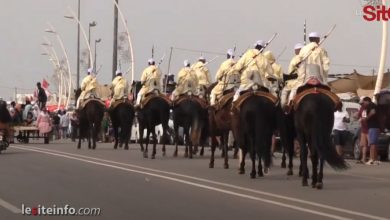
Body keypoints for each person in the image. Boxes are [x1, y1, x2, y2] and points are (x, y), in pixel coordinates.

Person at [288, 32, 330, 104]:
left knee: (294, 90)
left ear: (309, 39)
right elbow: (326, 65)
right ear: (318, 39)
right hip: (319, 76)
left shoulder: (303, 49)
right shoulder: (321, 50)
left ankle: (290, 103)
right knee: (329, 93)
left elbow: (299, 63)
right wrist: (324, 75)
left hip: (305, 77)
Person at [280, 43, 303, 109]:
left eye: (298, 50)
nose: (296, 51)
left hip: (299, 81)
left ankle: (289, 104)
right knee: (283, 95)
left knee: (293, 93)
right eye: (296, 50)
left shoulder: (303, 58)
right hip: (289, 82)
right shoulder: (294, 58)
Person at [364, 98, 380, 165]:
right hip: (375, 126)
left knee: (372, 143)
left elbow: (373, 112)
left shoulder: (371, 105)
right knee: (374, 144)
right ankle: (375, 159)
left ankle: (371, 159)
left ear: (367, 101)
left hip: (373, 126)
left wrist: (367, 118)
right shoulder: (373, 105)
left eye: (364, 102)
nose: (364, 104)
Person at [357, 97, 370, 163]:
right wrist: (356, 116)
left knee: (370, 144)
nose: (362, 104)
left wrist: (362, 119)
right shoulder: (361, 108)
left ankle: (371, 158)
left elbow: (365, 117)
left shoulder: (369, 108)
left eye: (363, 103)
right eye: (361, 103)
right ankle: (363, 158)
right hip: (363, 129)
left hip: (369, 128)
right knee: (364, 145)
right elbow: (359, 116)